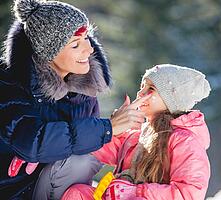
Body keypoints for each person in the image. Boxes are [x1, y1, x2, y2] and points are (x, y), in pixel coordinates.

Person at [0, 0, 150, 199]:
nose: (88, 50)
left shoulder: (83, 91)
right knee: (82, 160)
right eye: (75, 44)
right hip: (12, 191)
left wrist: (122, 135)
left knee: (86, 158)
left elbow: (84, 144)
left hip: (47, 184)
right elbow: (32, 141)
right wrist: (107, 127)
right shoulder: (9, 84)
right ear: (47, 54)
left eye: (87, 38)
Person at [62, 64, 212, 200]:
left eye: (150, 89)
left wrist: (136, 192)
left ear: (171, 100)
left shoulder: (185, 141)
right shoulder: (138, 134)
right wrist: (112, 127)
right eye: (142, 87)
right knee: (78, 193)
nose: (140, 93)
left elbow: (188, 193)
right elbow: (102, 149)